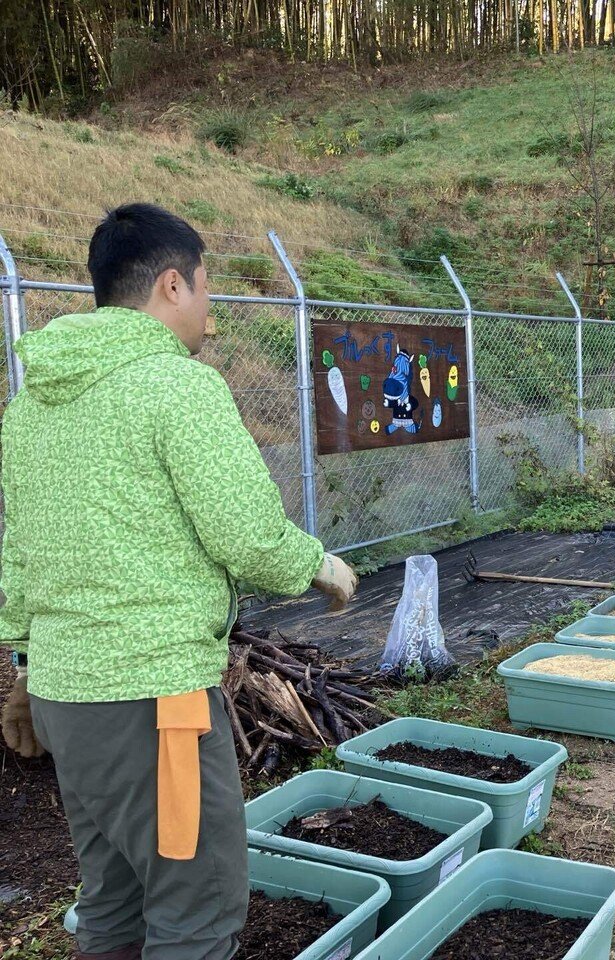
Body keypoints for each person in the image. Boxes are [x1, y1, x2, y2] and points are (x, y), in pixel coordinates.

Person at [0, 203, 359, 960]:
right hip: (153, 705)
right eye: (206, 292)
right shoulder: (177, 388)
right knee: (196, 909)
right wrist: (319, 566)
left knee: (112, 901)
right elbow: (247, 535)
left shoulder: (31, 405)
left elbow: (19, 550)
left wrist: (26, 666)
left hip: (65, 698)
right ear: (172, 284)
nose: (212, 317)